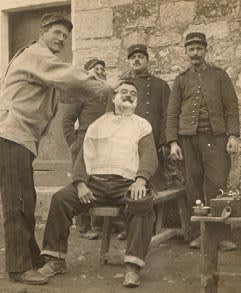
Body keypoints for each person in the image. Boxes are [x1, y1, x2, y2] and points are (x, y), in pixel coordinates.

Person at [0, 13, 112, 285]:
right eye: (57, 33)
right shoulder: (39, 56)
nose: (61, 39)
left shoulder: (35, 59)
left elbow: (66, 91)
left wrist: (90, 86)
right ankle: (18, 268)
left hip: (19, 138)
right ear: (43, 31)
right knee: (19, 203)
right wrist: (106, 87)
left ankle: (31, 257)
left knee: (25, 197)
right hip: (12, 136)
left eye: (65, 36)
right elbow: (69, 76)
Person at [38, 81, 158, 288]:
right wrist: (81, 184)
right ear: (113, 98)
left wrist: (140, 180)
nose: (128, 96)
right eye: (123, 92)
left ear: (136, 101)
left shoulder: (142, 125)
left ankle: (132, 267)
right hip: (95, 185)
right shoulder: (97, 124)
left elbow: (149, 156)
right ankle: (55, 259)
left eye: (133, 94)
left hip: (126, 185)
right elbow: (82, 157)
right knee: (61, 199)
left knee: (143, 204)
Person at [166, 32, 240, 249]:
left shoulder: (219, 76)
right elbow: (172, 113)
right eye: (191, 49)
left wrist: (233, 135)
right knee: (194, 185)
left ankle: (222, 236)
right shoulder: (181, 80)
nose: (195, 53)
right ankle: (198, 235)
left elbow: (231, 108)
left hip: (216, 139)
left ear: (206, 50)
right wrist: (173, 142)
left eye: (199, 48)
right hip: (189, 141)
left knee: (217, 185)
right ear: (186, 52)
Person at [109, 44, 170, 240]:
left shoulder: (160, 85)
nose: (136, 60)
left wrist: (164, 142)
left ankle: (149, 226)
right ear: (128, 61)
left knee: (149, 181)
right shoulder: (122, 87)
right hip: (126, 143)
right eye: (133, 57)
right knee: (126, 182)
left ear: (147, 60)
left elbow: (166, 116)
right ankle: (128, 226)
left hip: (150, 142)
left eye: (140, 57)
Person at [62, 58, 108, 238]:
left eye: (103, 69)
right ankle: (83, 226)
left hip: (104, 143)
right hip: (83, 142)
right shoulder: (81, 94)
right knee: (81, 181)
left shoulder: (109, 94)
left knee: (99, 180)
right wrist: (74, 143)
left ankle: (100, 224)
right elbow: (67, 120)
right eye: (96, 69)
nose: (101, 72)